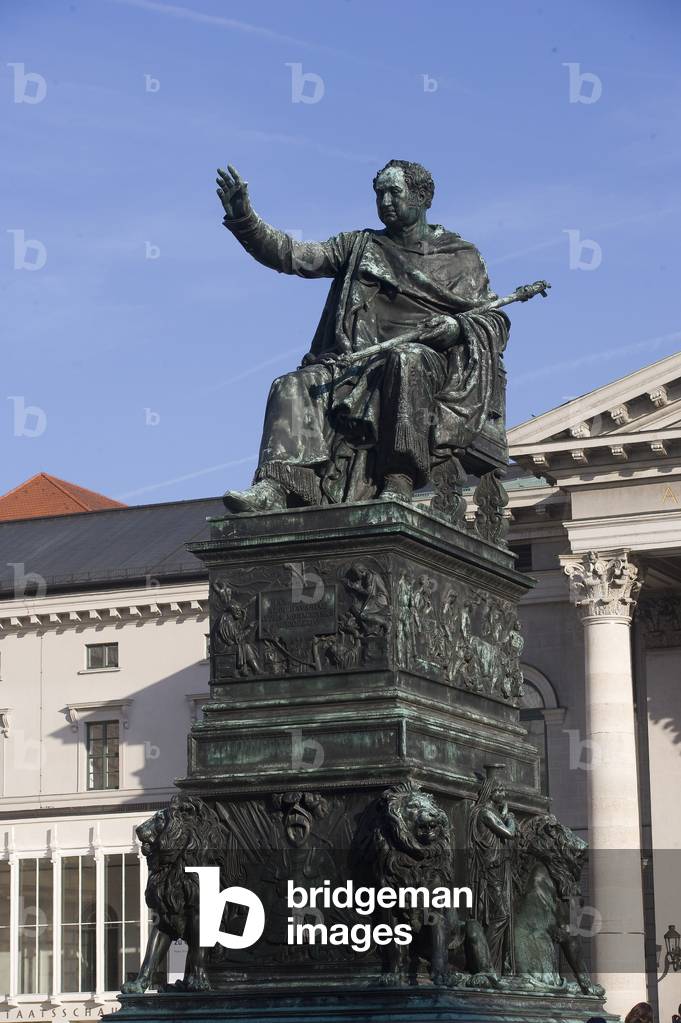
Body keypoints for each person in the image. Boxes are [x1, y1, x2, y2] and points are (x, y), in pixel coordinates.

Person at [216, 160, 510, 512]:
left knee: (407, 360)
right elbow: (293, 256)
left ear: (422, 197)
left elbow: (494, 321)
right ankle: (277, 487)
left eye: (394, 192)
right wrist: (245, 220)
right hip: (355, 362)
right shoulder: (358, 246)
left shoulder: (461, 257)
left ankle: (398, 477)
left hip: (428, 364)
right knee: (291, 385)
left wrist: (456, 328)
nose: (385, 201)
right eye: (379, 193)